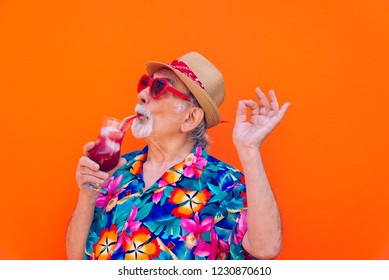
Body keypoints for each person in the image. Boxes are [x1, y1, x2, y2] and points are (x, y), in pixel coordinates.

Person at [66, 52, 290, 260]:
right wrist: (87, 195)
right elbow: (75, 260)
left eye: (159, 87)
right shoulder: (116, 171)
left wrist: (250, 150)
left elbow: (266, 249)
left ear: (190, 118)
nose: (142, 95)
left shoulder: (225, 184)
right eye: (145, 83)